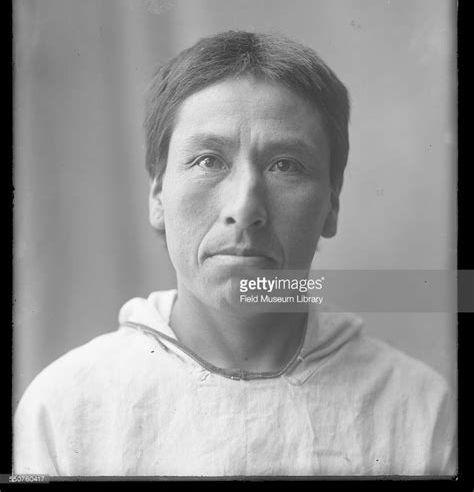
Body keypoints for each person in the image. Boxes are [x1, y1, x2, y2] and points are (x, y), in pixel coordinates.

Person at [14, 31, 456, 477]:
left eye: (286, 165)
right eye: (208, 160)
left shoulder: (420, 409)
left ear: (331, 205)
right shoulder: (65, 406)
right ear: (158, 195)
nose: (245, 210)